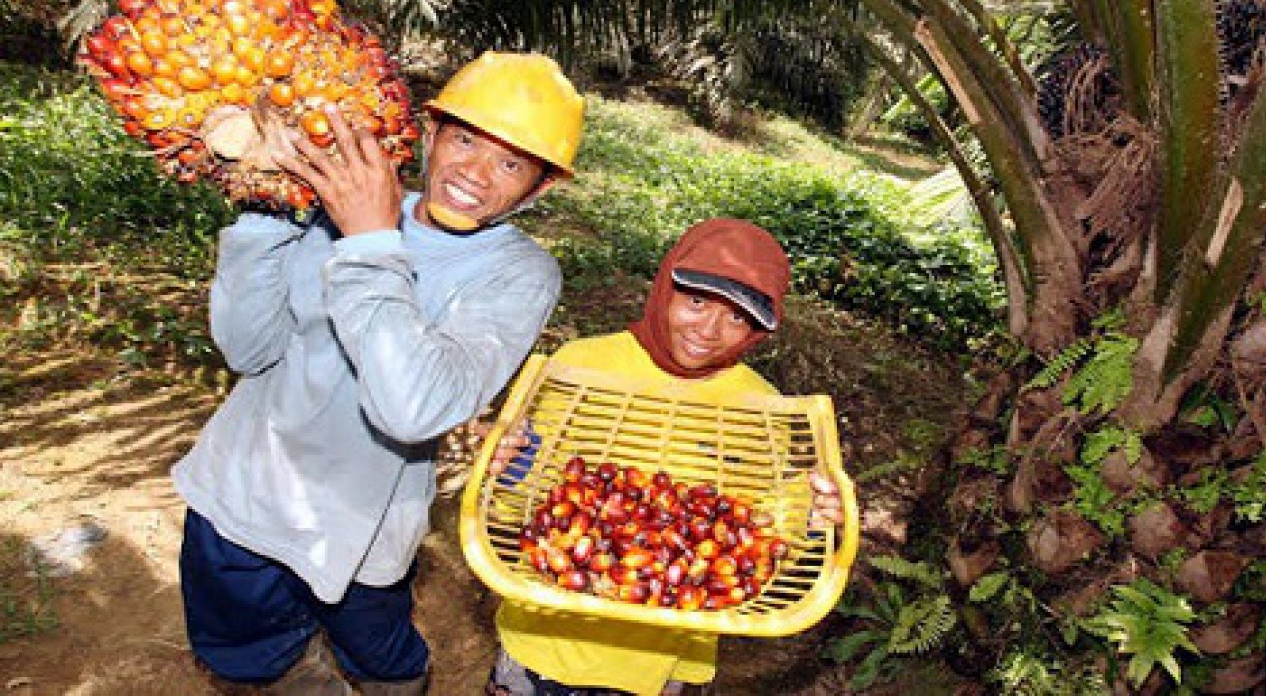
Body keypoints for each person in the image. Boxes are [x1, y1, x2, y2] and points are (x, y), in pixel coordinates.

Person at [170, 51, 586, 695]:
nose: (474, 173)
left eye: (510, 163)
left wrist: (368, 241)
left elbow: (414, 408)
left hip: (363, 523)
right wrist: (266, 208)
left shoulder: (519, 274)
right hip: (246, 494)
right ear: (430, 132)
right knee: (251, 656)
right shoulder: (330, 207)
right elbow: (249, 351)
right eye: (465, 140)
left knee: (382, 657)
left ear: (541, 187)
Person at [481, 218, 847, 696]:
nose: (710, 331)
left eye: (737, 318)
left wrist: (821, 518)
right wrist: (509, 469)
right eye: (697, 302)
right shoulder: (580, 365)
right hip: (547, 644)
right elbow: (520, 510)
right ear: (665, 289)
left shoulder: (763, 410)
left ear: (757, 331)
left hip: (666, 667)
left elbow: (773, 535)